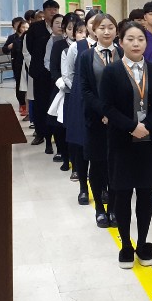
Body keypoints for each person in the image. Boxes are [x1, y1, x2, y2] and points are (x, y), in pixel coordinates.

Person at [99, 21, 152, 268]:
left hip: (149, 141)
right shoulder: (112, 71)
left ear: (146, 43)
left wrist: (147, 125)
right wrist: (131, 126)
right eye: (130, 39)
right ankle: (126, 246)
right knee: (122, 193)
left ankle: (142, 243)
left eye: (140, 39)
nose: (136, 43)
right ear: (121, 42)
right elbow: (107, 106)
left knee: (145, 193)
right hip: (122, 141)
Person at [78, 13, 121, 227]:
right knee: (97, 164)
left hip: (119, 121)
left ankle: (113, 208)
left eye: (110, 27)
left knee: (115, 165)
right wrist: (103, 111)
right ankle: (99, 210)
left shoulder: (122, 53)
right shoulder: (86, 56)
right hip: (95, 120)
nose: (106, 31)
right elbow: (85, 89)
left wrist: (114, 114)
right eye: (102, 27)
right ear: (93, 30)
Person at [62, 14, 91, 201]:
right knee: (81, 144)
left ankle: (103, 187)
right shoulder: (76, 47)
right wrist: (81, 91)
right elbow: (69, 74)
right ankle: (83, 187)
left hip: (103, 103)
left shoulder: (113, 49)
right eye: (94, 24)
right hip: (81, 100)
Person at [25, 0, 59, 149]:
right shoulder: (35, 28)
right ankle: (40, 133)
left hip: (56, 73)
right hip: (40, 72)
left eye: (55, 9)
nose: (53, 11)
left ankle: (56, 133)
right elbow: (30, 47)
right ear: (44, 12)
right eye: (50, 9)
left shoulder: (61, 26)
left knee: (56, 102)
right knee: (40, 103)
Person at [45, 13, 69, 164]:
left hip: (77, 88)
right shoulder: (58, 44)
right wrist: (61, 82)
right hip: (60, 87)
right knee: (58, 121)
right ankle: (61, 150)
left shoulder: (84, 45)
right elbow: (52, 66)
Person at [3, 16, 27, 116]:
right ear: (14, 27)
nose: (22, 28)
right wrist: (9, 46)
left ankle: (26, 104)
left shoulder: (28, 36)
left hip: (27, 63)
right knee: (19, 83)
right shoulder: (12, 38)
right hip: (17, 63)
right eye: (18, 25)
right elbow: (4, 49)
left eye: (23, 26)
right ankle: (22, 104)